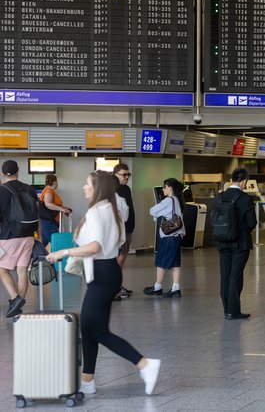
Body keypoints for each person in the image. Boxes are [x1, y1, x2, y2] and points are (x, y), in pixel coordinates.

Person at [45, 171, 160, 396]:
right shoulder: (112, 210)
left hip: (102, 273)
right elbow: (118, 241)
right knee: (88, 328)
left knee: (97, 330)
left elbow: (95, 246)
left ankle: (145, 365)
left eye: (87, 184)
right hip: (108, 271)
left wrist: (64, 252)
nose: (84, 187)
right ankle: (87, 381)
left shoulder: (99, 212)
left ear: (98, 187)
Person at [216, 168, 258, 319]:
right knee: (235, 275)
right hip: (240, 243)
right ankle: (233, 311)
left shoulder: (219, 197)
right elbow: (252, 222)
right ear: (244, 181)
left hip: (222, 242)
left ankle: (226, 308)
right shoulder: (245, 199)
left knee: (225, 275)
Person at [0, 160, 37, 317]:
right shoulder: (29, 189)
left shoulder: (1, 190)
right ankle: (18, 306)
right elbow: (37, 215)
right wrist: (38, 236)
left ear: (2, 173)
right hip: (28, 236)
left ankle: (15, 298)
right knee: (22, 271)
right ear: (19, 170)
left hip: (9, 236)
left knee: (2, 269)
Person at [144, 178, 185, 298]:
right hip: (177, 236)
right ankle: (175, 288)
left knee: (160, 262)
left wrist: (158, 214)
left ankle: (158, 287)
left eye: (164, 187)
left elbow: (152, 211)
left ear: (169, 187)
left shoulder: (168, 201)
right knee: (176, 263)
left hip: (169, 237)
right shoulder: (178, 200)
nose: (163, 190)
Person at [113, 163, 135, 300]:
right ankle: (114, 286)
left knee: (122, 258)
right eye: (123, 174)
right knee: (117, 260)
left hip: (128, 228)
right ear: (115, 175)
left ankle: (117, 285)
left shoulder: (126, 189)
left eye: (128, 174)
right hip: (119, 231)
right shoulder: (113, 191)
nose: (126, 177)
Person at [38, 174, 72, 248]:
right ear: (54, 182)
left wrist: (65, 208)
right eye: (57, 182)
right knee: (58, 244)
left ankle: (35, 257)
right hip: (49, 223)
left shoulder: (48, 191)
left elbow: (53, 204)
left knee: (42, 244)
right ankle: (61, 258)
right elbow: (48, 204)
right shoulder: (49, 191)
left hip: (47, 222)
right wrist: (62, 209)